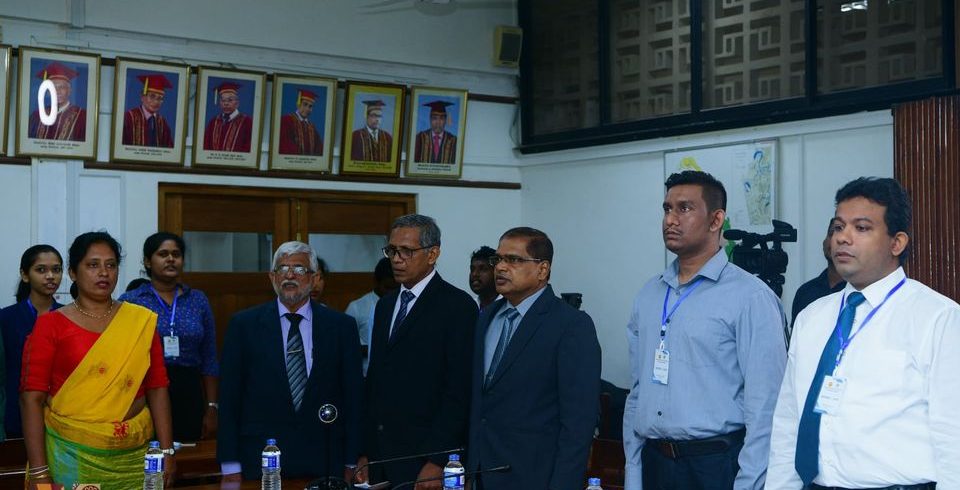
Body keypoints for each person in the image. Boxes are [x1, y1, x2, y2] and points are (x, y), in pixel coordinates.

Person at [767, 177, 960, 489]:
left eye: (861, 228)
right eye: (838, 227)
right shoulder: (811, 318)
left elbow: (954, 436)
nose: (843, 238)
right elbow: (789, 422)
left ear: (897, 243)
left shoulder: (937, 318)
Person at [623, 170, 787, 490]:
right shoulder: (649, 295)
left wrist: (750, 484)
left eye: (684, 208)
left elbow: (766, 405)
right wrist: (633, 470)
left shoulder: (750, 297)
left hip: (715, 465)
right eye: (667, 209)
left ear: (716, 220)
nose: (670, 220)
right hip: (655, 463)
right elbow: (638, 391)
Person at [20, 232, 174, 488]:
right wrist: (39, 473)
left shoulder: (140, 321)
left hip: (135, 458)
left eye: (111, 265)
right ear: (73, 272)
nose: (104, 272)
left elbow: (157, 388)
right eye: (93, 265)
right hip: (71, 456)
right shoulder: (51, 325)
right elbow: (31, 399)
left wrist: (167, 452)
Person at [466, 227, 601, 489]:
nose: (500, 267)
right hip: (482, 472)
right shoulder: (487, 317)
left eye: (513, 260)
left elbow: (578, 423)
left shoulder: (570, 325)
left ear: (542, 269)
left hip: (534, 476)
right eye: (498, 259)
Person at [217, 241, 362, 482]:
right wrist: (229, 464)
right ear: (272, 277)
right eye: (283, 269)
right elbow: (230, 397)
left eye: (299, 269)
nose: (290, 275)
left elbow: (353, 397)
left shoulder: (341, 327)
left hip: (325, 457)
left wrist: (351, 459)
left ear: (314, 277)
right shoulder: (243, 325)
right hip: (261, 458)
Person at [357, 214, 477, 488]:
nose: (397, 259)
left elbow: (459, 391)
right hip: (381, 456)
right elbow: (375, 380)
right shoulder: (385, 306)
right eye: (392, 250)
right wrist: (365, 450)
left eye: (407, 251)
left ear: (432, 254)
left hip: (426, 457)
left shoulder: (458, 307)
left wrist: (438, 459)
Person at [119, 232, 219, 442]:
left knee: (189, 451)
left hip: (189, 388)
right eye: (163, 254)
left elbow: (209, 357)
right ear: (148, 261)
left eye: (176, 254)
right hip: (147, 388)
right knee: (152, 451)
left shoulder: (198, 300)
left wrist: (212, 406)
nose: (171, 259)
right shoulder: (131, 301)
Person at [0, 245, 64, 439]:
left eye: (56, 270)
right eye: (41, 270)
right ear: (25, 275)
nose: (50, 276)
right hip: (15, 415)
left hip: (61, 416)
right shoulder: (6, 318)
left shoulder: (70, 317)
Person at [344, 257, 398, 372]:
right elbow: (344, 344)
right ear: (376, 282)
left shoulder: (403, 305)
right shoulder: (357, 307)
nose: (391, 293)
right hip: (365, 373)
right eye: (387, 288)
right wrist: (371, 349)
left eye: (395, 288)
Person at [791, 220, 846, 325]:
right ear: (824, 242)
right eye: (832, 233)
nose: (836, 241)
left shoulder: (859, 292)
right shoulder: (805, 291)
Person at [27, 61, 86, 141]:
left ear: (69, 90)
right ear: (48, 92)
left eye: (62, 87)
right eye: (53, 87)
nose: (57, 91)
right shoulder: (37, 116)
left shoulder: (82, 117)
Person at [121, 73, 175, 148]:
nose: (156, 102)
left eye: (160, 98)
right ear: (142, 97)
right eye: (152, 96)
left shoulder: (162, 123)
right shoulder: (129, 117)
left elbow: (169, 149)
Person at [203, 81, 253, 152]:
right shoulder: (214, 122)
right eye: (223, 100)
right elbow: (206, 146)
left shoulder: (247, 122)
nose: (226, 103)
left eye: (230, 100)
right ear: (220, 103)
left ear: (237, 103)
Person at [278, 88, 323, 155]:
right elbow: (284, 144)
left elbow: (319, 148)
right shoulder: (286, 120)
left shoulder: (312, 127)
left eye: (310, 106)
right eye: (305, 104)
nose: (307, 109)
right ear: (298, 104)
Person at [469, 246, 498, 311]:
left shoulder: (509, 306)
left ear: (496, 272)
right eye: (472, 269)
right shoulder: (468, 306)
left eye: (482, 269)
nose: (475, 274)